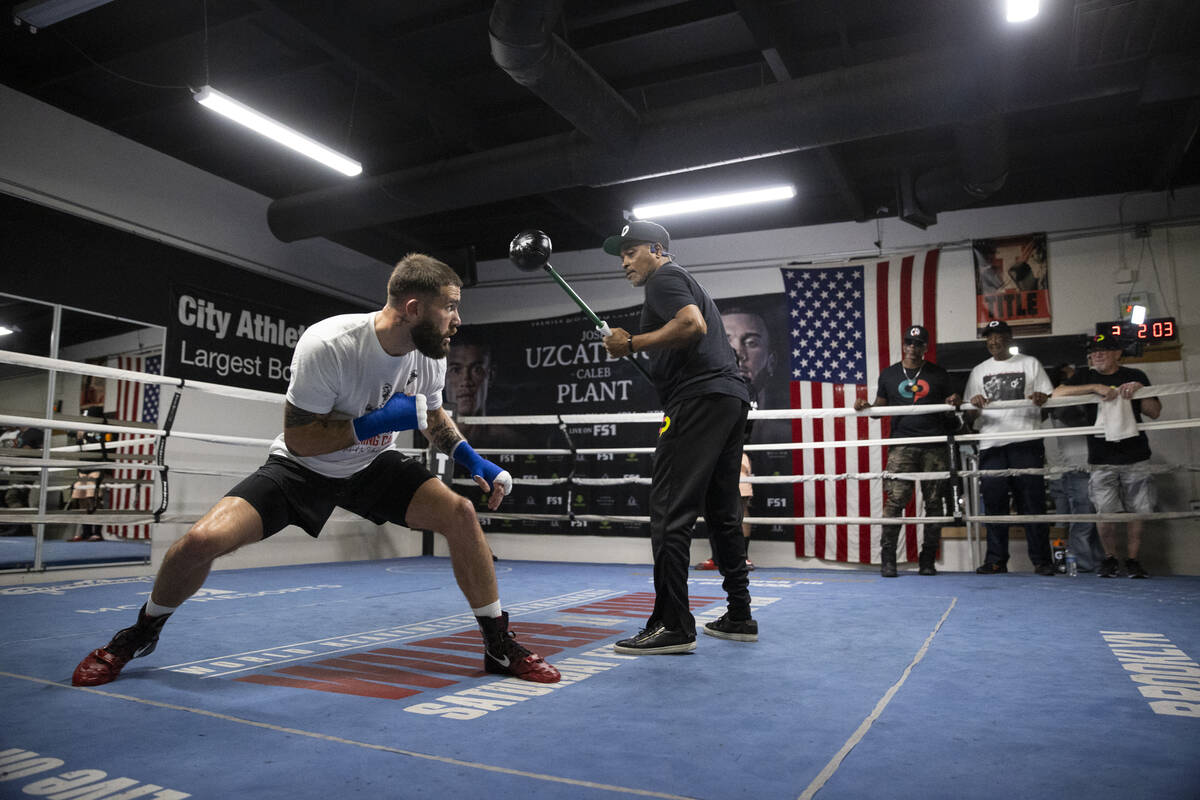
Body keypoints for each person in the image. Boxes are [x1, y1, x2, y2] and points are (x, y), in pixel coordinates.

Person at [72, 254, 560, 686]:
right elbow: (303, 438)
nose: (457, 319)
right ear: (413, 308)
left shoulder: (429, 352)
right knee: (198, 543)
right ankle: (141, 631)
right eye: (450, 306)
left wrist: (474, 461)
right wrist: (379, 420)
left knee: (460, 514)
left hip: (372, 464)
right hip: (301, 467)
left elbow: (432, 417)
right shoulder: (329, 344)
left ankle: (498, 644)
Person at [600, 220, 755, 653]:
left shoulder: (665, 277)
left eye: (631, 252)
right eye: (621, 255)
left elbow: (692, 327)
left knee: (670, 510)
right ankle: (739, 615)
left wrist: (632, 344)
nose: (625, 262)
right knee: (723, 512)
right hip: (727, 397)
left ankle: (673, 625)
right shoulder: (682, 281)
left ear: (656, 248)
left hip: (700, 400)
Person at [1051, 333, 1161, 578]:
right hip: (1101, 456)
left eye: (1103, 350)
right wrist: (1093, 388)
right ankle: (1110, 558)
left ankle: (1133, 560)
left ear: (1117, 353)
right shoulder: (1086, 376)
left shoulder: (1136, 376)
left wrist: (1139, 391)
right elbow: (1056, 393)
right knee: (1104, 511)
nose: (1097, 354)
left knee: (1138, 510)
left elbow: (1155, 412)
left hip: (1135, 452)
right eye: (1093, 351)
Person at [854, 324, 960, 577]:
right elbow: (880, 408)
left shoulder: (938, 373)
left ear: (925, 347)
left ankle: (927, 559)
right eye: (909, 343)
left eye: (918, 344)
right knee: (895, 501)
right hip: (902, 444)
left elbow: (953, 401)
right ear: (903, 345)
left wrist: (954, 400)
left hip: (934, 445)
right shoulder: (889, 374)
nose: (912, 348)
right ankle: (888, 558)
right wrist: (866, 406)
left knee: (934, 503)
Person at [964, 319, 1055, 575]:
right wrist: (974, 405)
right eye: (989, 337)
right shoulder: (979, 370)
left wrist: (1042, 400)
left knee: (1032, 503)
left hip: (1026, 440)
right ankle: (996, 560)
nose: (994, 341)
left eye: (999, 336)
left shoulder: (1030, 363)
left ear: (1009, 338)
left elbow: (1049, 404)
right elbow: (969, 417)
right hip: (991, 443)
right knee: (994, 504)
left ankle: (1042, 561)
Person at [1044, 364, 1104, 572]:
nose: (1077, 380)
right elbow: (1079, 419)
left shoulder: (1069, 403)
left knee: (1095, 520)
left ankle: (1096, 562)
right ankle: (1084, 564)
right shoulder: (1060, 404)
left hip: (1087, 464)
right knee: (1083, 520)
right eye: (1072, 377)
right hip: (1075, 467)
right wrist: (1088, 388)